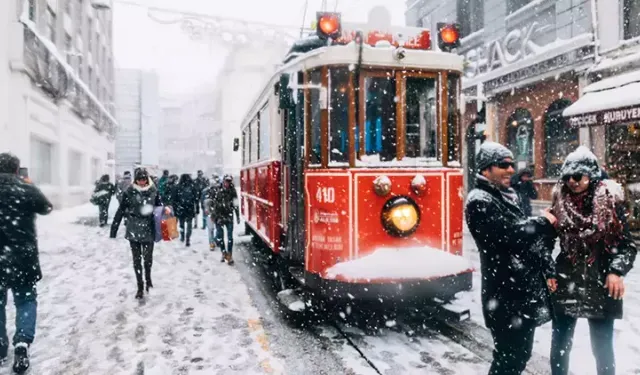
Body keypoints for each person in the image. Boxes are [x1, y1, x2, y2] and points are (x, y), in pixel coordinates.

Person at [465, 142, 557, 375]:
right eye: (503, 165)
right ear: (486, 170)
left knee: (519, 356)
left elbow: (526, 240)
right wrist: (542, 223)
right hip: (504, 297)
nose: (510, 170)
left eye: (511, 164)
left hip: (520, 296)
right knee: (508, 359)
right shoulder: (480, 200)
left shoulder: (507, 196)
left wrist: (547, 266)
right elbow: (509, 233)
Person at [548, 146, 637, 375]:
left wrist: (616, 271)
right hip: (566, 279)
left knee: (602, 347)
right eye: (568, 177)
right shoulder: (558, 201)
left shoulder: (611, 203)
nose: (573, 182)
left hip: (600, 280)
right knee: (560, 344)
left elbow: (627, 245)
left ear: (591, 175)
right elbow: (544, 243)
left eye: (578, 176)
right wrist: (548, 271)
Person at [0, 153, 53, 373]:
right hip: (23, 258)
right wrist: (28, 186)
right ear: (16, 169)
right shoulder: (25, 188)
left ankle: (1, 346)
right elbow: (46, 207)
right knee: (26, 300)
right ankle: (22, 343)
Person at [110, 169, 162, 299]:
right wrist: (114, 229)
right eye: (140, 179)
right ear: (136, 180)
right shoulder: (130, 192)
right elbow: (121, 210)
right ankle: (140, 286)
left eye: (144, 179)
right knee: (137, 260)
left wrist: (165, 212)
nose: (142, 182)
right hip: (134, 228)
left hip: (148, 229)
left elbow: (159, 208)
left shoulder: (154, 191)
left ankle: (148, 278)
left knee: (148, 259)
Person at [212, 175, 240, 265]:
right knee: (220, 236)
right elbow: (213, 204)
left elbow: (236, 204)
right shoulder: (217, 190)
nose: (227, 183)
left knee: (230, 238)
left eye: (229, 181)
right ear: (223, 181)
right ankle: (223, 253)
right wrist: (213, 215)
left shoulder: (233, 191)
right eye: (226, 181)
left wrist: (238, 216)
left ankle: (229, 255)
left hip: (229, 216)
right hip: (219, 216)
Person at [172, 174, 199, 247]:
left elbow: (174, 200)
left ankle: (182, 236)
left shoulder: (178, 187)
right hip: (190, 208)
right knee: (189, 224)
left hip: (181, 208)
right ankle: (188, 238)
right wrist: (197, 209)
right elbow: (196, 199)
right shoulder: (192, 186)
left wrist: (175, 209)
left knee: (182, 224)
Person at [203, 176, 221, 251]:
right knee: (214, 229)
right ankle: (213, 242)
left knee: (212, 229)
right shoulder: (218, 191)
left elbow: (203, 202)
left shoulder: (205, 191)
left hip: (212, 212)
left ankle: (213, 242)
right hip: (212, 212)